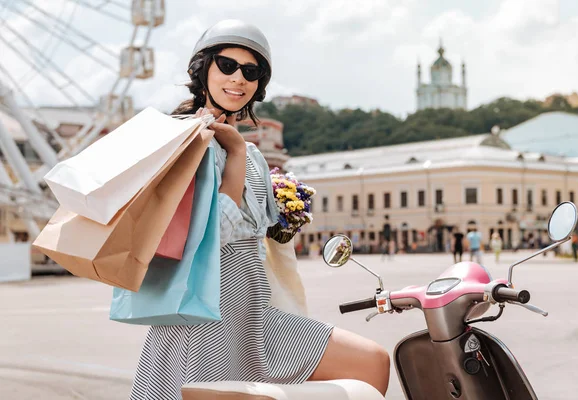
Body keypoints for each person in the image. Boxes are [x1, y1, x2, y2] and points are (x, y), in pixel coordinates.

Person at [129, 20, 389, 399]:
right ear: (202, 70)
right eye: (227, 65)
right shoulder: (180, 141)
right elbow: (211, 233)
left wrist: (284, 212)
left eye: (250, 72)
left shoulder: (252, 156)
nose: (238, 78)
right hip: (203, 319)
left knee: (371, 362)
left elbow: (254, 236)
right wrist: (232, 152)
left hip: (255, 312)